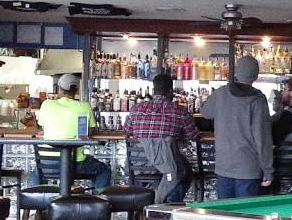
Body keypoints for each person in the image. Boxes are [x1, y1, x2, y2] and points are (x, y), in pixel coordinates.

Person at [200, 54, 273, 199]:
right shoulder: (258, 99)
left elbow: (205, 112)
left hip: (223, 166)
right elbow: (262, 138)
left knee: (223, 211)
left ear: (236, 72)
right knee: (245, 212)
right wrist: (267, 170)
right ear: (256, 75)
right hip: (248, 168)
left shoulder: (221, 93)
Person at [124, 73, 199, 202]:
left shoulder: (136, 109)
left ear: (153, 90)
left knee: (177, 167)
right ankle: (171, 203)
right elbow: (193, 135)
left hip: (138, 164)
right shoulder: (180, 111)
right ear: (170, 91)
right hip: (167, 165)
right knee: (185, 170)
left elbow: (126, 131)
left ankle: (139, 204)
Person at [31, 73, 111, 189]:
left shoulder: (46, 105)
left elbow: (43, 126)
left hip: (47, 162)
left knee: (36, 173)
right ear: (77, 90)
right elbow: (90, 131)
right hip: (75, 164)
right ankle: (98, 198)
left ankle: (38, 198)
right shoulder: (84, 106)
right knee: (103, 170)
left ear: (59, 89)